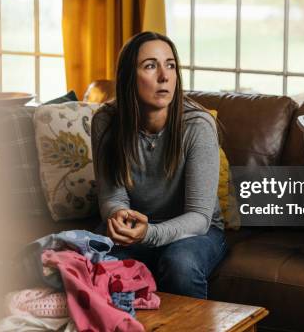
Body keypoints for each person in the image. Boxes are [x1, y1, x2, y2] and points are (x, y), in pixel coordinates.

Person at [91, 31, 228, 299]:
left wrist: (149, 234)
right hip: (138, 228)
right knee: (89, 261)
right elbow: (111, 195)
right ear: (130, 76)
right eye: (150, 66)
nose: (164, 76)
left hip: (196, 231)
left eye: (171, 65)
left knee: (180, 265)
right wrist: (119, 216)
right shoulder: (106, 121)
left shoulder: (197, 126)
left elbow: (199, 217)